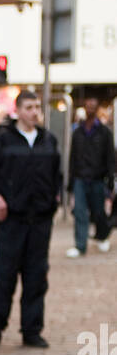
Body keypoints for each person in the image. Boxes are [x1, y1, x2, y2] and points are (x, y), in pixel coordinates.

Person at [0, 90, 62, 349]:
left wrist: (54, 199)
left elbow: (57, 174)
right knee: (5, 275)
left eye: (37, 107)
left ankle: (32, 330)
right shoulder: (2, 141)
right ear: (18, 110)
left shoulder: (48, 141)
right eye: (29, 107)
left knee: (37, 276)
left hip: (40, 220)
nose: (34, 112)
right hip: (12, 219)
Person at [66, 95, 114, 257]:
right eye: (88, 106)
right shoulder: (78, 132)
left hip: (97, 178)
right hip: (80, 177)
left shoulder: (104, 132)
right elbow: (73, 156)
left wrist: (110, 180)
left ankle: (102, 236)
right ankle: (80, 245)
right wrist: (71, 180)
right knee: (80, 211)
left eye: (93, 106)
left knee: (98, 211)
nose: (90, 110)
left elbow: (110, 157)